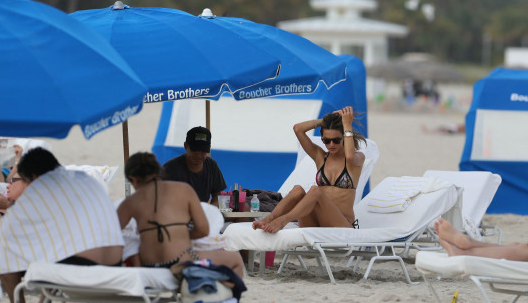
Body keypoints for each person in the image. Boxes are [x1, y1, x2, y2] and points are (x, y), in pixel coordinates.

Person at [0, 148, 124, 303]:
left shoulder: (45, 192)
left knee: (4, 247)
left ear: (36, 177)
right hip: (114, 262)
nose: (24, 186)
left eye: (24, 180)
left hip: (82, 268)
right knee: (57, 244)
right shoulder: (84, 180)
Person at [117, 152, 243, 277]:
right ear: (158, 171)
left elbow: (114, 234)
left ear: (133, 179)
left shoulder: (129, 202)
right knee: (235, 260)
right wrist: (178, 235)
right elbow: (203, 230)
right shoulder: (184, 189)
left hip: (148, 264)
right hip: (180, 261)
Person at [253, 106, 366, 234]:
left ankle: (283, 221)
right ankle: (269, 218)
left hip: (342, 225)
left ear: (344, 137)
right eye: (326, 140)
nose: (331, 145)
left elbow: (349, 156)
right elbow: (298, 129)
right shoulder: (320, 157)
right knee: (297, 190)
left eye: (336, 140)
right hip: (317, 223)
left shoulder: (357, 158)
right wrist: (324, 121)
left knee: (315, 190)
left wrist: (347, 124)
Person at [161, 126, 226, 205]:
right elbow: (160, 198)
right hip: (177, 213)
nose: (198, 155)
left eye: (203, 151)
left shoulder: (211, 165)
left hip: (203, 213)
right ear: (185, 146)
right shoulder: (170, 168)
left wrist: (212, 209)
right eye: (194, 150)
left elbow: (218, 195)